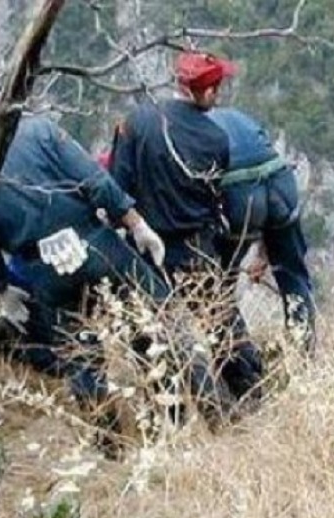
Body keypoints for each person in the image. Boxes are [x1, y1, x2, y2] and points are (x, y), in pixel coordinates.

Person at [0, 73, 229, 438]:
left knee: (82, 358)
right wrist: (136, 223)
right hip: (95, 244)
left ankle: (109, 441)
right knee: (163, 322)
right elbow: (94, 180)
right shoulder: (39, 131)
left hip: (44, 268)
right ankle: (206, 419)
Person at [109, 51, 263, 400]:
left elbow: (117, 189)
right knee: (221, 325)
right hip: (196, 249)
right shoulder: (215, 139)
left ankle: (170, 410)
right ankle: (252, 398)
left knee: (148, 333)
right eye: (216, 88)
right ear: (204, 92)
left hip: (146, 248)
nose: (218, 95)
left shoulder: (135, 122)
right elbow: (215, 197)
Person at [206, 106, 316, 354]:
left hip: (239, 196)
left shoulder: (194, 129)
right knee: (293, 277)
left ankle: (242, 363)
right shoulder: (240, 116)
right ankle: (304, 356)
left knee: (218, 286)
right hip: (280, 183)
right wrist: (264, 254)